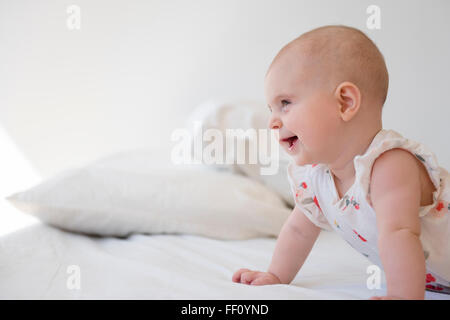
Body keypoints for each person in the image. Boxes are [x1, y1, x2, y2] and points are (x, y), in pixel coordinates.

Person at [232, 25, 450, 300]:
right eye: (270, 109)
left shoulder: (389, 165)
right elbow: (298, 230)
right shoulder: (316, 178)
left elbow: (400, 233)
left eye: (285, 102)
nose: (273, 121)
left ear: (345, 103)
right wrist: (275, 276)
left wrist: (403, 296)